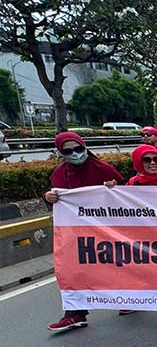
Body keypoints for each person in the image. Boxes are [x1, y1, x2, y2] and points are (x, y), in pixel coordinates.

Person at [46, 132, 126, 333]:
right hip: (76, 232)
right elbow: (57, 197)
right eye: (68, 151)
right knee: (71, 268)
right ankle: (75, 313)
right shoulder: (59, 174)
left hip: (107, 230)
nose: (75, 154)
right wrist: (48, 197)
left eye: (79, 149)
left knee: (116, 264)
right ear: (61, 153)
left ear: (85, 147)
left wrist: (113, 187)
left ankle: (128, 297)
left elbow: (126, 197)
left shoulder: (103, 169)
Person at [107, 145, 157, 331]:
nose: (153, 163)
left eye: (156, 159)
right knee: (141, 269)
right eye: (147, 160)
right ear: (138, 162)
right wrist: (111, 190)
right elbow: (117, 204)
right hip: (143, 236)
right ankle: (137, 298)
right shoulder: (133, 184)